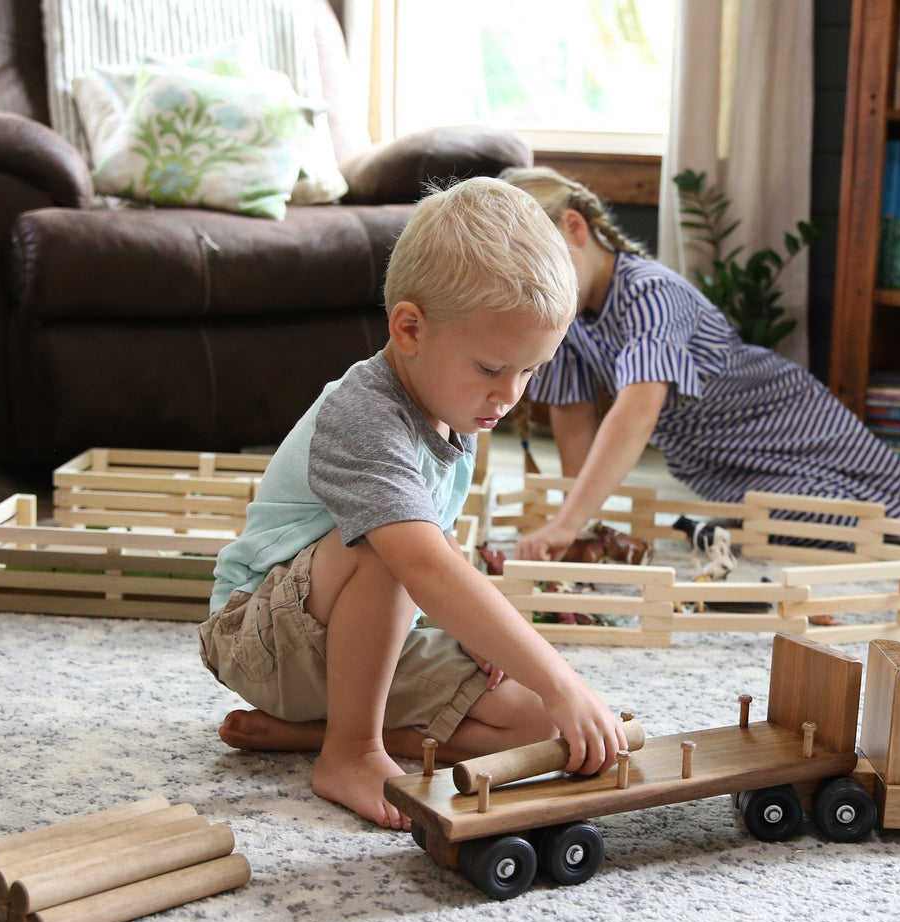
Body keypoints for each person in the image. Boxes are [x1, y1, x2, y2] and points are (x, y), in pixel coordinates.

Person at [198, 176, 627, 830]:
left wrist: (506, 653)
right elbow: (422, 562)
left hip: (356, 635)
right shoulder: (363, 415)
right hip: (261, 635)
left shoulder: (457, 404)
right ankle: (350, 750)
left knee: (547, 728)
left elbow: (440, 547)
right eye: (492, 368)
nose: (510, 395)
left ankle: (317, 732)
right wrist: (558, 675)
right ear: (409, 329)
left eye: (530, 370)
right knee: (390, 549)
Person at [500, 166, 900, 565]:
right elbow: (573, 417)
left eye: (544, 265)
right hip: (715, 460)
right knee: (797, 528)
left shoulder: (650, 292)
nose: (540, 285)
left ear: (574, 228)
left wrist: (566, 523)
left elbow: (636, 411)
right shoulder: (565, 315)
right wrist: (578, 521)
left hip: (781, 415)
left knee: (895, 510)